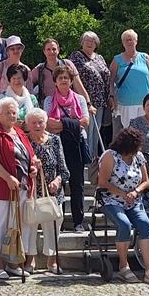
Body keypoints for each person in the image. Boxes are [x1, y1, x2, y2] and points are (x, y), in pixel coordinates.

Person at [0, 96, 38, 280]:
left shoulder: (20, 133)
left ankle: (14, 263)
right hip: (0, 187)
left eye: (14, 112)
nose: (12, 115)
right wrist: (7, 177)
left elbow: (28, 156)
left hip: (22, 187)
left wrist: (33, 166)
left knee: (17, 226)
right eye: (8, 112)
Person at [96, 128, 149, 285]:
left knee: (145, 224)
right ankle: (123, 265)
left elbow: (146, 181)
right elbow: (102, 182)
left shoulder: (138, 157)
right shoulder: (110, 156)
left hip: (134, 200)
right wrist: (121, 193)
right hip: (111, 200)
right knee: (124, 225)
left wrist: (135, 191)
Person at [43, 67, 90, 233]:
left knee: (77, 184)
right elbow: (48, 123)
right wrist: (72, 123)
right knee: (58, 182)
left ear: (71, 81)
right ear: (55, 81)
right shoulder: (49, 100)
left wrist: (62, 124)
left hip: (76, 144)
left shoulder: (80, 99)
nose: (63, 80)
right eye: (60, 78)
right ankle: (58, 220)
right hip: (56, 144)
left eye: (66, 78)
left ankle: (78, 221)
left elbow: (85, 121)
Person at [26, 107, 68, 276]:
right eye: (34, 122)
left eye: (41, 122)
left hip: (53, 192)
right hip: (32, 190)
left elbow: (64, 169)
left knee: (54, 224)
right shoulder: (25, 141)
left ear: (46, 123)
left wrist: (58, 181)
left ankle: (52, 259)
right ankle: (30, 258)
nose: (37, 125)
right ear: (28, 124)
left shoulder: (55, 140)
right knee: (31, 224)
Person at [109, 29, 149, 131]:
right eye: (126, 40)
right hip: (126, 102)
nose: (129, 42)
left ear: (136, 41)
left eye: (131, 39)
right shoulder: (117, 60)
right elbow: (111, 81)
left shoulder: (145, 57)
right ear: (122, 43)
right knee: (130, 131)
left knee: (148, 130)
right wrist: (111, 96)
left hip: (146, 102)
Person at [69, 31, 111, 144]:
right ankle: (87, 160)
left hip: (100, 100)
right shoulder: (76, 56)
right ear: (82, 42)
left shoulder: (100, 58)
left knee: (96, 133)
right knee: (88, 131)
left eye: (93, 41)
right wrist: (86, 101)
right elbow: (73, 77)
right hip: (85, 100)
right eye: (87, 40)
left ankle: (94, 158)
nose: (90, 43)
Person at [29, 38, 90, 107]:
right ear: (44, 51)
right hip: (48, 106)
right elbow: (27, 83)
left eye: (54, 49)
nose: (51, 52)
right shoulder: (39, 69)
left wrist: (88, 103)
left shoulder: (67, 64)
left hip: (68, 105)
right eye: (48, 49)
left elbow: (78, 86)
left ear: (58, 50)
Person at [0, 36, 29, 115]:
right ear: (7, 51)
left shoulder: (27, 69)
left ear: (22, 50)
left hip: (21, 111)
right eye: (12, 49)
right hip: (2, 110)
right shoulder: (0, 67)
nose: (15, 51)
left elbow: (30, 92)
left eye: (18, 48)